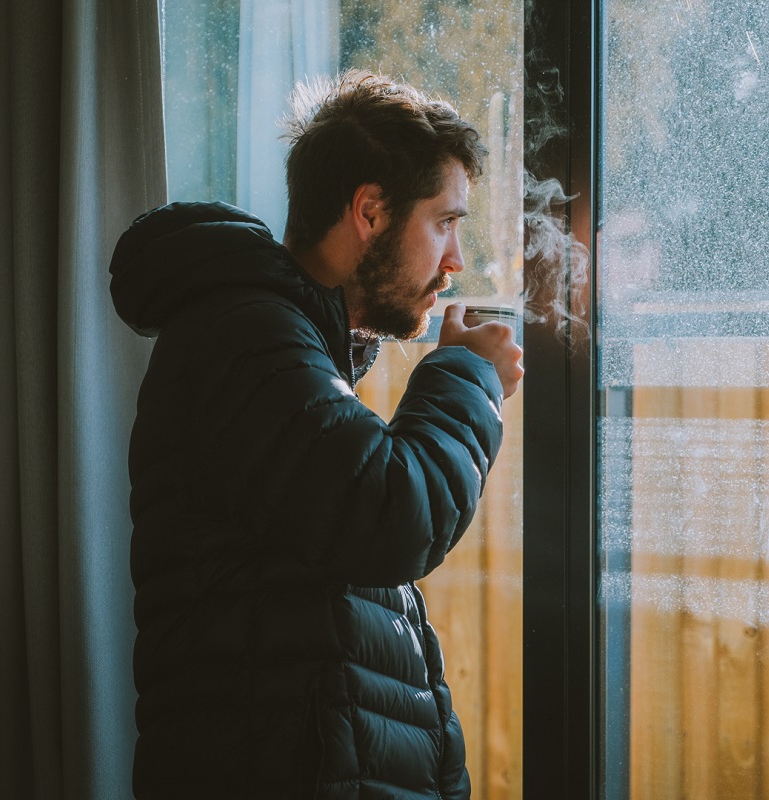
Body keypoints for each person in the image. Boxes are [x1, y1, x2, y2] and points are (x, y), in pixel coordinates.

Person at [108, 69, 523, 800]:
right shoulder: (246, 339)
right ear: (369, 210)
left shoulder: (287, 346)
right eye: (445, 222)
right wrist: (465, 378)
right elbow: (388, 515)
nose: (455, 261)